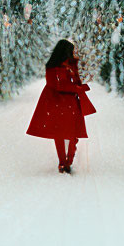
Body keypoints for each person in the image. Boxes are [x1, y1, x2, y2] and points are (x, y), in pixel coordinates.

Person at [26, 39, 96, 173]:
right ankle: (65, 162)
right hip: (63, 102)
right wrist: (78, 88)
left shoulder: (63, 65)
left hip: (60, 102)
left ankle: (65, 162)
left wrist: (78, 85)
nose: (73, 53)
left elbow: (64, 83)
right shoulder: (58, 67)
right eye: (71, 51)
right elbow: (59, 85)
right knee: (68, 133)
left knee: (63, 133)